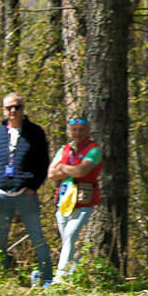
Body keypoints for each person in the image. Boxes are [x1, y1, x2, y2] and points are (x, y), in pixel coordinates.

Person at [0, 92, 53, 286]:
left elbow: (43, 164)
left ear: (23, 109)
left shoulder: (36, 132)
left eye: (17, 107)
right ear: (3, 110)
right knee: (0, 238)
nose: (13, 111)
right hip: (1, 194)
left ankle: (47, 278)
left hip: (25, 194)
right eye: (9, 108)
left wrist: (33, 186)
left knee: (36, 235)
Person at [49, 115, 104, 282]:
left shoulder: (94, 150)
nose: (77, 133)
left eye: (81, 130)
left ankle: (60, 278)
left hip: (83, 200)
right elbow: (51, 174)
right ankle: (74, 276)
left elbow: (82, 171)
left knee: (71, 235)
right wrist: (71, 170)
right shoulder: (64, 149)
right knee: (68, 240)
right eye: (74, 130)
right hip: (63, 200)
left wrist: (63, 167)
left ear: (88, 131)